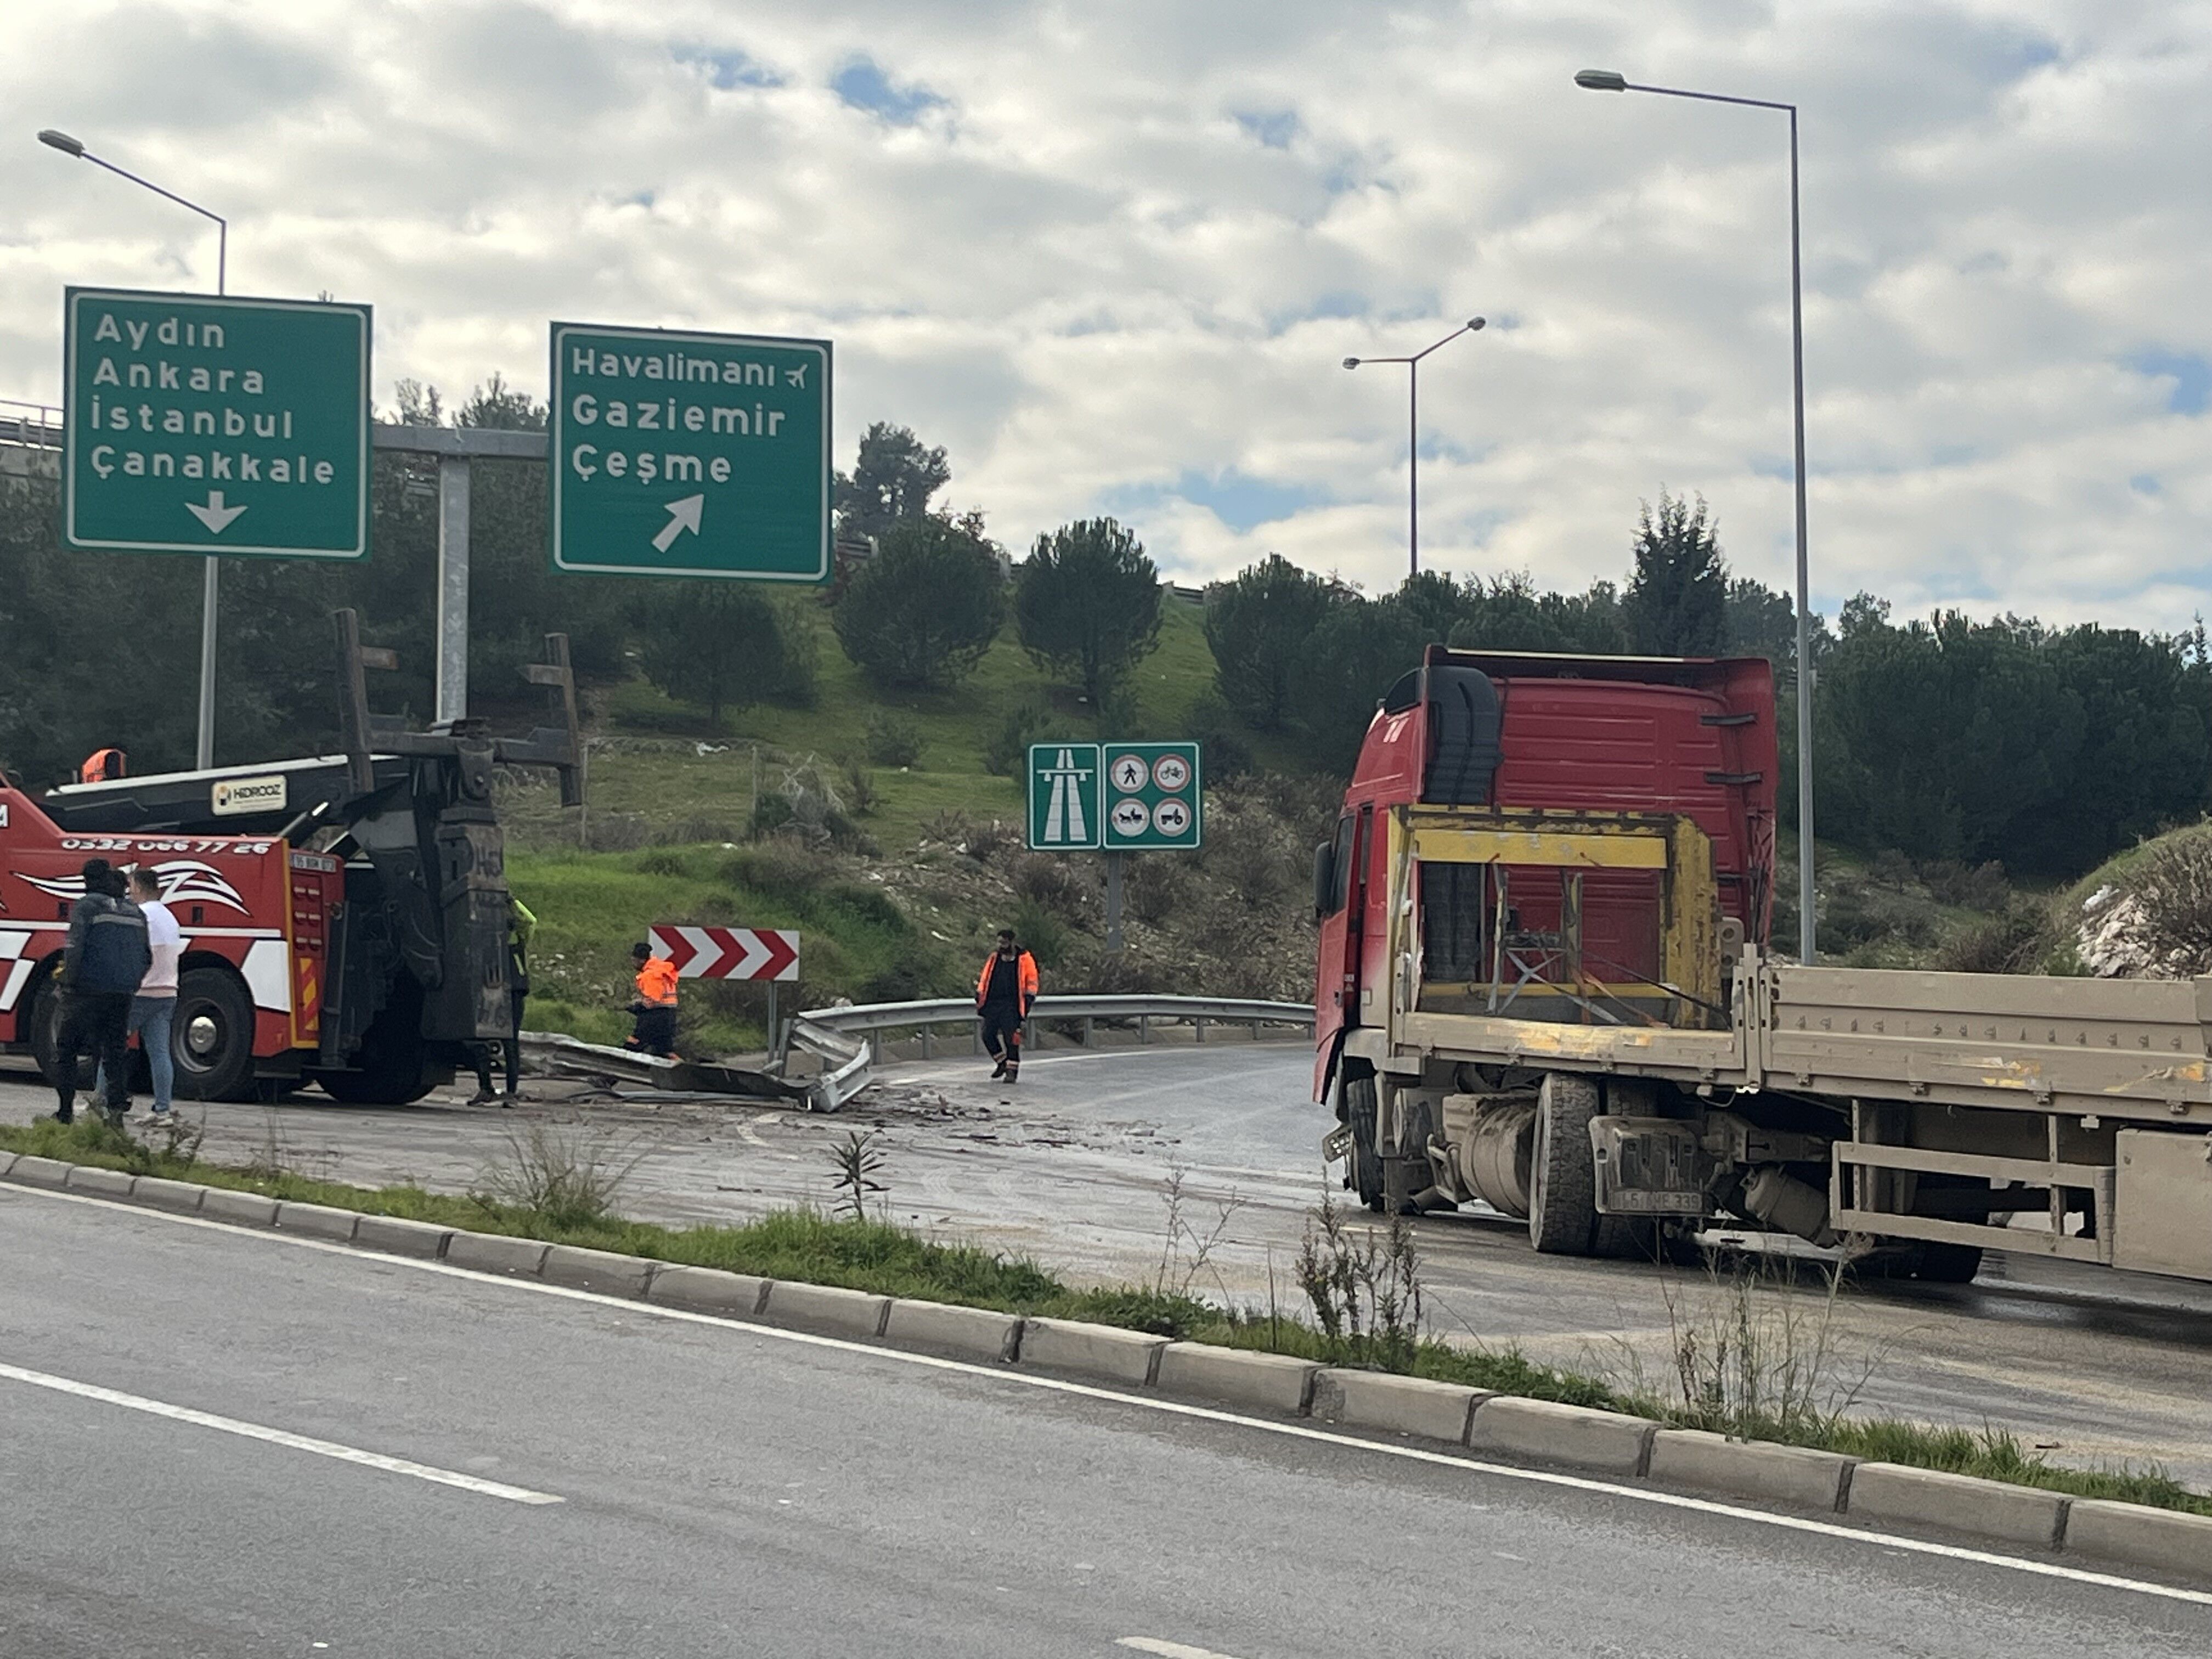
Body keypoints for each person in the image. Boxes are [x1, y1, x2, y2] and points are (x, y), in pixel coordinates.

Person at [49, 859, 149, 1127]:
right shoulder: (136, 912)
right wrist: (132, 984)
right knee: (115, 1052)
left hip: (86, 992)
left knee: (67, 1049)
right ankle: (116, 1117)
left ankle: (65, 1112)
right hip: (122, 994)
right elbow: (146, 957)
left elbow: (75, 948)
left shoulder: (87, 906)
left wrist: (67, 983)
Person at [94, 866, 181, 1121]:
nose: (129, 891)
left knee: (112, 1045)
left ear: (140, 888)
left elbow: (131, 953)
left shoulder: (140, 915)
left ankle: (98, 1101)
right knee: (160, 1053)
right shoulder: (169, 917)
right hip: (167, 992)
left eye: (130, 886)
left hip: (141, 992)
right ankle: (163, 1109)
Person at [469, 894, 537, 1107]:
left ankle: (506, 1092)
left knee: (509, 1043)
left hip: (511, 994)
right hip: (496, 993)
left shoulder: (517, 944)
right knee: (483, 1041)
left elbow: (530, 921)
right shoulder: (491, 946)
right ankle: (489, 1088)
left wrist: (512, 903)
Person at [974, 928, 1039, 1084]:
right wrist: (979, 994)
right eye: (999, 942)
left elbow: (1032, 981)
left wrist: (1029, 999)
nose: (1001, 945)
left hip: (1012, 1004)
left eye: (1004, 942)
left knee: (1012, 1039)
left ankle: (1012, 1071)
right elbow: (985, 977)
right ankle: (1002, 1063)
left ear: (1011, 942)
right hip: (993, 1003)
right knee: (988, 1035)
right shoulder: (994, 958)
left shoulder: (1024, 960)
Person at [624, 938, 680, 1058]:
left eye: (634, 961)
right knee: (665, 1051)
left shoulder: (650, 975)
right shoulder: (662, 970)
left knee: (632, 1045)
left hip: (654, 1018)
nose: (633, 964)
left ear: (642, 960)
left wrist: (635, 1006)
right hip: (670, 1017)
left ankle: (613, 1073)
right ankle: (685, 1072)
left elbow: (652, 1000)